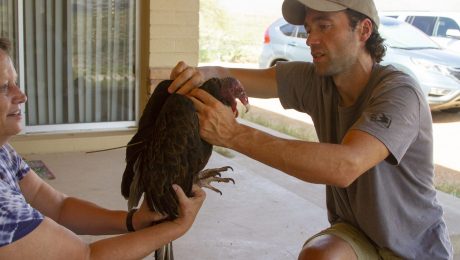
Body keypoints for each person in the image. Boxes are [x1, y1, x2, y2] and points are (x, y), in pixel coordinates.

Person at [169, 0, 454, 259]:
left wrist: (233, 134)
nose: (311, 40)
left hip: (414, 248)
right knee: (319, 256)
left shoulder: (399, 92)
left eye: (324, 26)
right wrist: (201, 74)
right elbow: (233, 76)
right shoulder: (316, 80)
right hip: (358, 234)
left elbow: (345, 165)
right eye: (308, 28)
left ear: (364, 30)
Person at [0, 37, 206, 259]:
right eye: (3, 87)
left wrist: (132, 221)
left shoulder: (4, 152)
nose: (21, 95)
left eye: (15, 82)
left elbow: (57, 206)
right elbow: (84, 257)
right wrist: (176, 227)